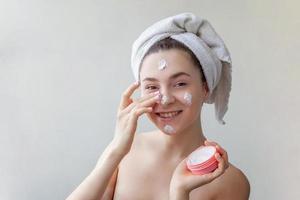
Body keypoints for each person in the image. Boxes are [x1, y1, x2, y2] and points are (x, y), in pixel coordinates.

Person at [66, 13, 250, 200]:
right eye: (152, 87)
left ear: (206, 88)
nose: (165, 99)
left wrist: (180, 192)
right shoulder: (124, 152)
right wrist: (116, 150)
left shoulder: (228, 180)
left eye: (180, 84)